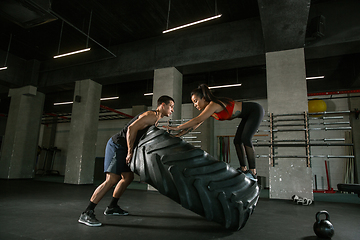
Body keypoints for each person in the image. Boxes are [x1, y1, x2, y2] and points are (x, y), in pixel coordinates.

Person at [79, 95, 175, 227]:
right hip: (117, 145)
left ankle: (112, 207)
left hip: (124, 148)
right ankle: (87, 212)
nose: (172, 110)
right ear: (162, 105)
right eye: (171, 106)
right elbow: (131, 129)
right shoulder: (151, 115)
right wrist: (130, 152)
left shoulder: (156, 120)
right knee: (112, 179)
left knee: (128, 177)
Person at [163, 84, 264, 181]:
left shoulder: (213, 104)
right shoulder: (209, 110)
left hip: (255, 110)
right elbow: (195, 125)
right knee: (237, 141)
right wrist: (178, 135)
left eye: (196, 101)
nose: (195, 105)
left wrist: (177, 127)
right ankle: (243, 169)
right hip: (246, 115)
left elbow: (197, 120)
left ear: (203, 98)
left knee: (245, 139)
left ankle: (253, 173)